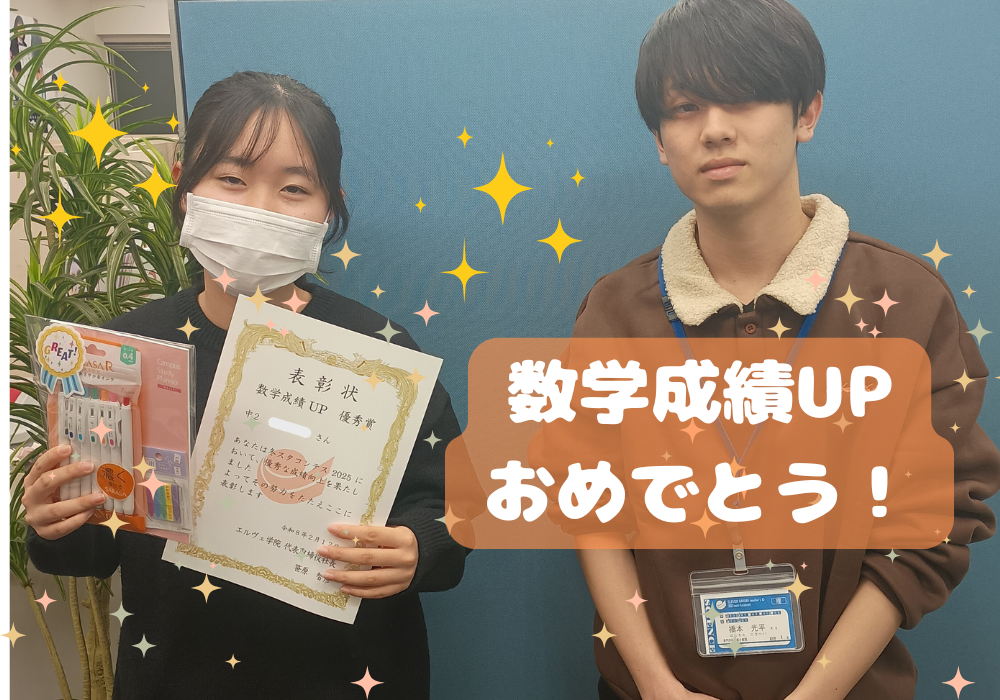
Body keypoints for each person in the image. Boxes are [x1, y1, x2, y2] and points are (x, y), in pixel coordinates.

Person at [544, 2, 1000, 699]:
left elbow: (934, 520)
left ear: (806, 112)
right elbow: (589, 507)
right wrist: (657, 686)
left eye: (743, 98)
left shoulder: (905, 302)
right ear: (660, 140)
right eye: (685, 108)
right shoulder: (615, 312)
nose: (714, 129)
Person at [21, 71, 469, 699]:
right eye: (231, 179)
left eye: (294, 188)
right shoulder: (122, 354)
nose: (259, 208)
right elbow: (91, 551)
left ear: (329, 208)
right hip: (174, 677)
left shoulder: (381, 352)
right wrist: (53, 522)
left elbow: (456, 506)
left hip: (351, 678)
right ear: (185, 184)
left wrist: (421, 545)